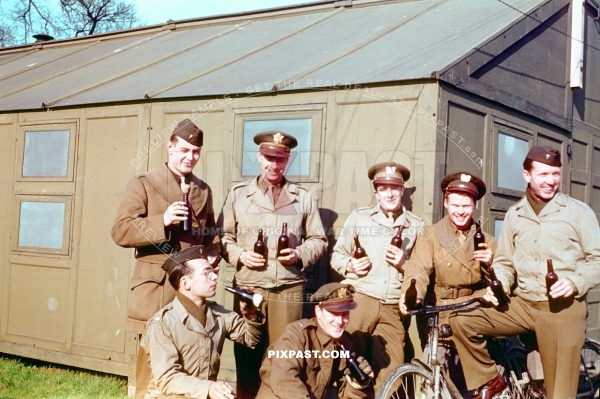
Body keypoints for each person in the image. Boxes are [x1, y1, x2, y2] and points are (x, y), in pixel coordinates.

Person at [449, 146, 600, 399]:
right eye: (543, 174)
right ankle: (489, 381)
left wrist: (575, 282)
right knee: (462, 319)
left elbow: (597, 259)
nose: (551, 181)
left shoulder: (578, 212)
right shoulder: (515, 214)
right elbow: (505, 262)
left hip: (561, 310)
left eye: (555, 174)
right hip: (524, 304)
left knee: (558, 394)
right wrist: (503, 284)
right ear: (526, 175)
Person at [111, 118, 220, 399]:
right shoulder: (144, 184)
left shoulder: (203, 190)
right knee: (151, 370)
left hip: (190, 293)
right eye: (184, 150)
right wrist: (163, 221)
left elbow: (211, 236)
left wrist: (212, 256)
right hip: (156, 291)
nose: (190, 157)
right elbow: (120, 230)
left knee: (193, 360)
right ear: (170, 148)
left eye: (195, 152)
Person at [219, 130, 328, 399]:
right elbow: (223, 237)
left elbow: (319, 239)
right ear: (259, 156)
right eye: (269, 157)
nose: (274, 164)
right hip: (249, 287)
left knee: (285, 359)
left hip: (287, 290)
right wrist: (240, 255)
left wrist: (299, 254)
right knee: (247, 356)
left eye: (280, 159)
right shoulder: (239, 194)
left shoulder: (301, 196)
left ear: (288, 159)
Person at [330, 161, 424, 389]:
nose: (389, 194)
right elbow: (336, 256)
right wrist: (351, 265)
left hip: (393, 307)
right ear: (376, 192)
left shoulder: (417, 225)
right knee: (350, 364)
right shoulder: (360, 218)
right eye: (383, 188)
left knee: (392, 371)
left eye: (394, 188)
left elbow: (422, 271)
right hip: (360, 301)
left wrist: (404, 264)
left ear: (402, 189)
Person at [399, 171, 495, 393]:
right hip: (439, 313)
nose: (460, 211)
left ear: (475, 205)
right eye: (455, 205)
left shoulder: (485, 240)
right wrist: (412, 295)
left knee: (475, 384)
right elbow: (418, 270)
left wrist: (490, 265)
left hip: (473, 312)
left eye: (466, 206)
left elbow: (502, 280)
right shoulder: (430, 235)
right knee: (432, 379)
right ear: (445, 203)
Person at [141, 245, 264, 399]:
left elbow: (251, 340)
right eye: (206, 273)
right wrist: (209, 388)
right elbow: (168, 378)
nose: (214, 277)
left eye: (212, 271)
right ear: (185, 283)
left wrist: (251, 315)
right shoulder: (162, 323)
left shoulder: (218, 314)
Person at [257, 283, 373, 399]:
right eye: (334, 313)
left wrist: (356, 384)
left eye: (345, 314)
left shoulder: (345, 344)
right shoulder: (296, 335)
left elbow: (344, 395)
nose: (340, 321)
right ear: (318, 312)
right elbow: (285, 380)